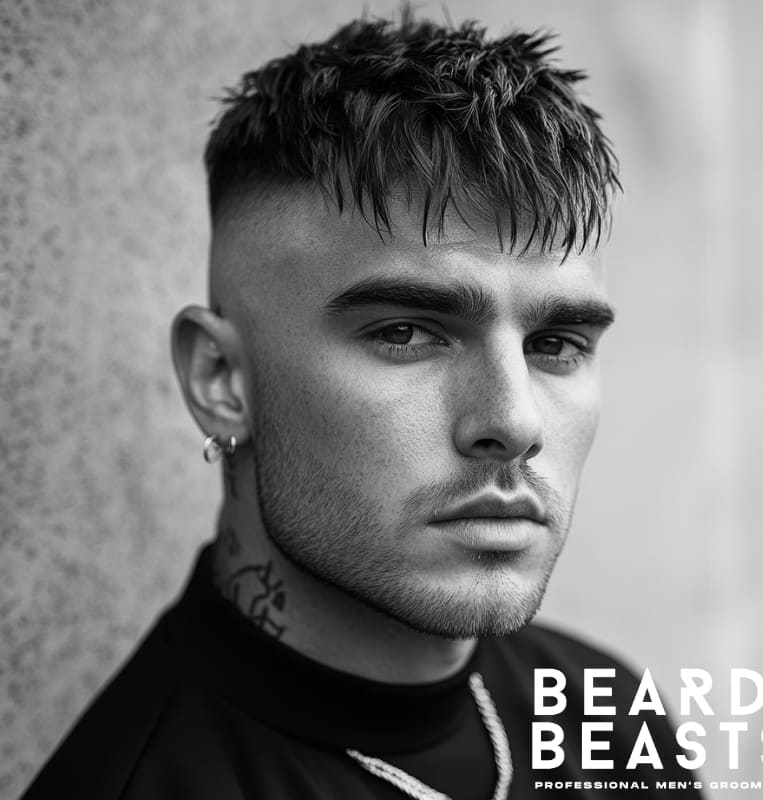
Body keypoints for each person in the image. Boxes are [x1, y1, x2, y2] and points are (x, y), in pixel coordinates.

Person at [22, 10, 703, 800]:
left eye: (554, 344)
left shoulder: (605, 719)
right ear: (221, 380)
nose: (514, 423)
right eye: (406, 333)